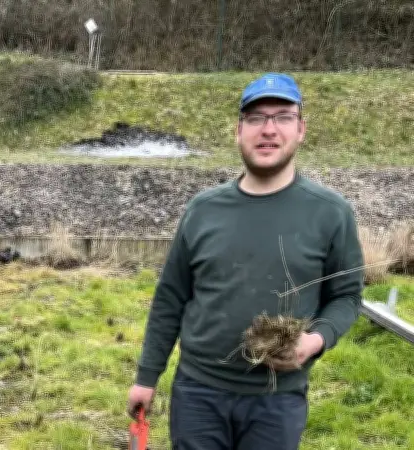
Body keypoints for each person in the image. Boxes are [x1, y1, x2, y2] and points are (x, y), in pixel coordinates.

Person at [126, 73, 365, 449]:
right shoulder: (203, 210)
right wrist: (147, 377)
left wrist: (316, 340)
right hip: (198, 394)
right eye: (256, 118)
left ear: (301, 130)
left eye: (283, 116)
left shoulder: (330, 213)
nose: (268, 129)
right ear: (239, 131)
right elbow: (170, 298)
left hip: (277, 399)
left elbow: (347, 296)